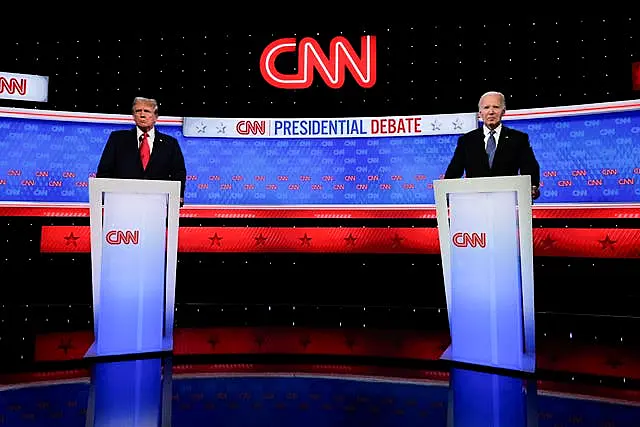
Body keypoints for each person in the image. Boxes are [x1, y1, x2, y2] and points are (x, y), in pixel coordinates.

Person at [444, 91, 541, 200]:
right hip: (474, 202)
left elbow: (529, 168)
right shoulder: (466, 140)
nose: (491, 112)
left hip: (507, 201)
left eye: (496, 107)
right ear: (480, 113)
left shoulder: (518, 138)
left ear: (503, 111)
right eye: (486, 107)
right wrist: (445, 191)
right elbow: (453, 172)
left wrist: (532, 187)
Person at [96, 97, 187, 206]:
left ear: (155, 117)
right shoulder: (117, 139)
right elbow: (104, 170)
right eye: (138, 111)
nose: (142, 115)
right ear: (133, 116)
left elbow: (179, 172)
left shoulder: (170, 143)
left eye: (147, 111)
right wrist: (103, 196)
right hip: (121, 202)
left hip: (158, 204)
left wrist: (178, 196)